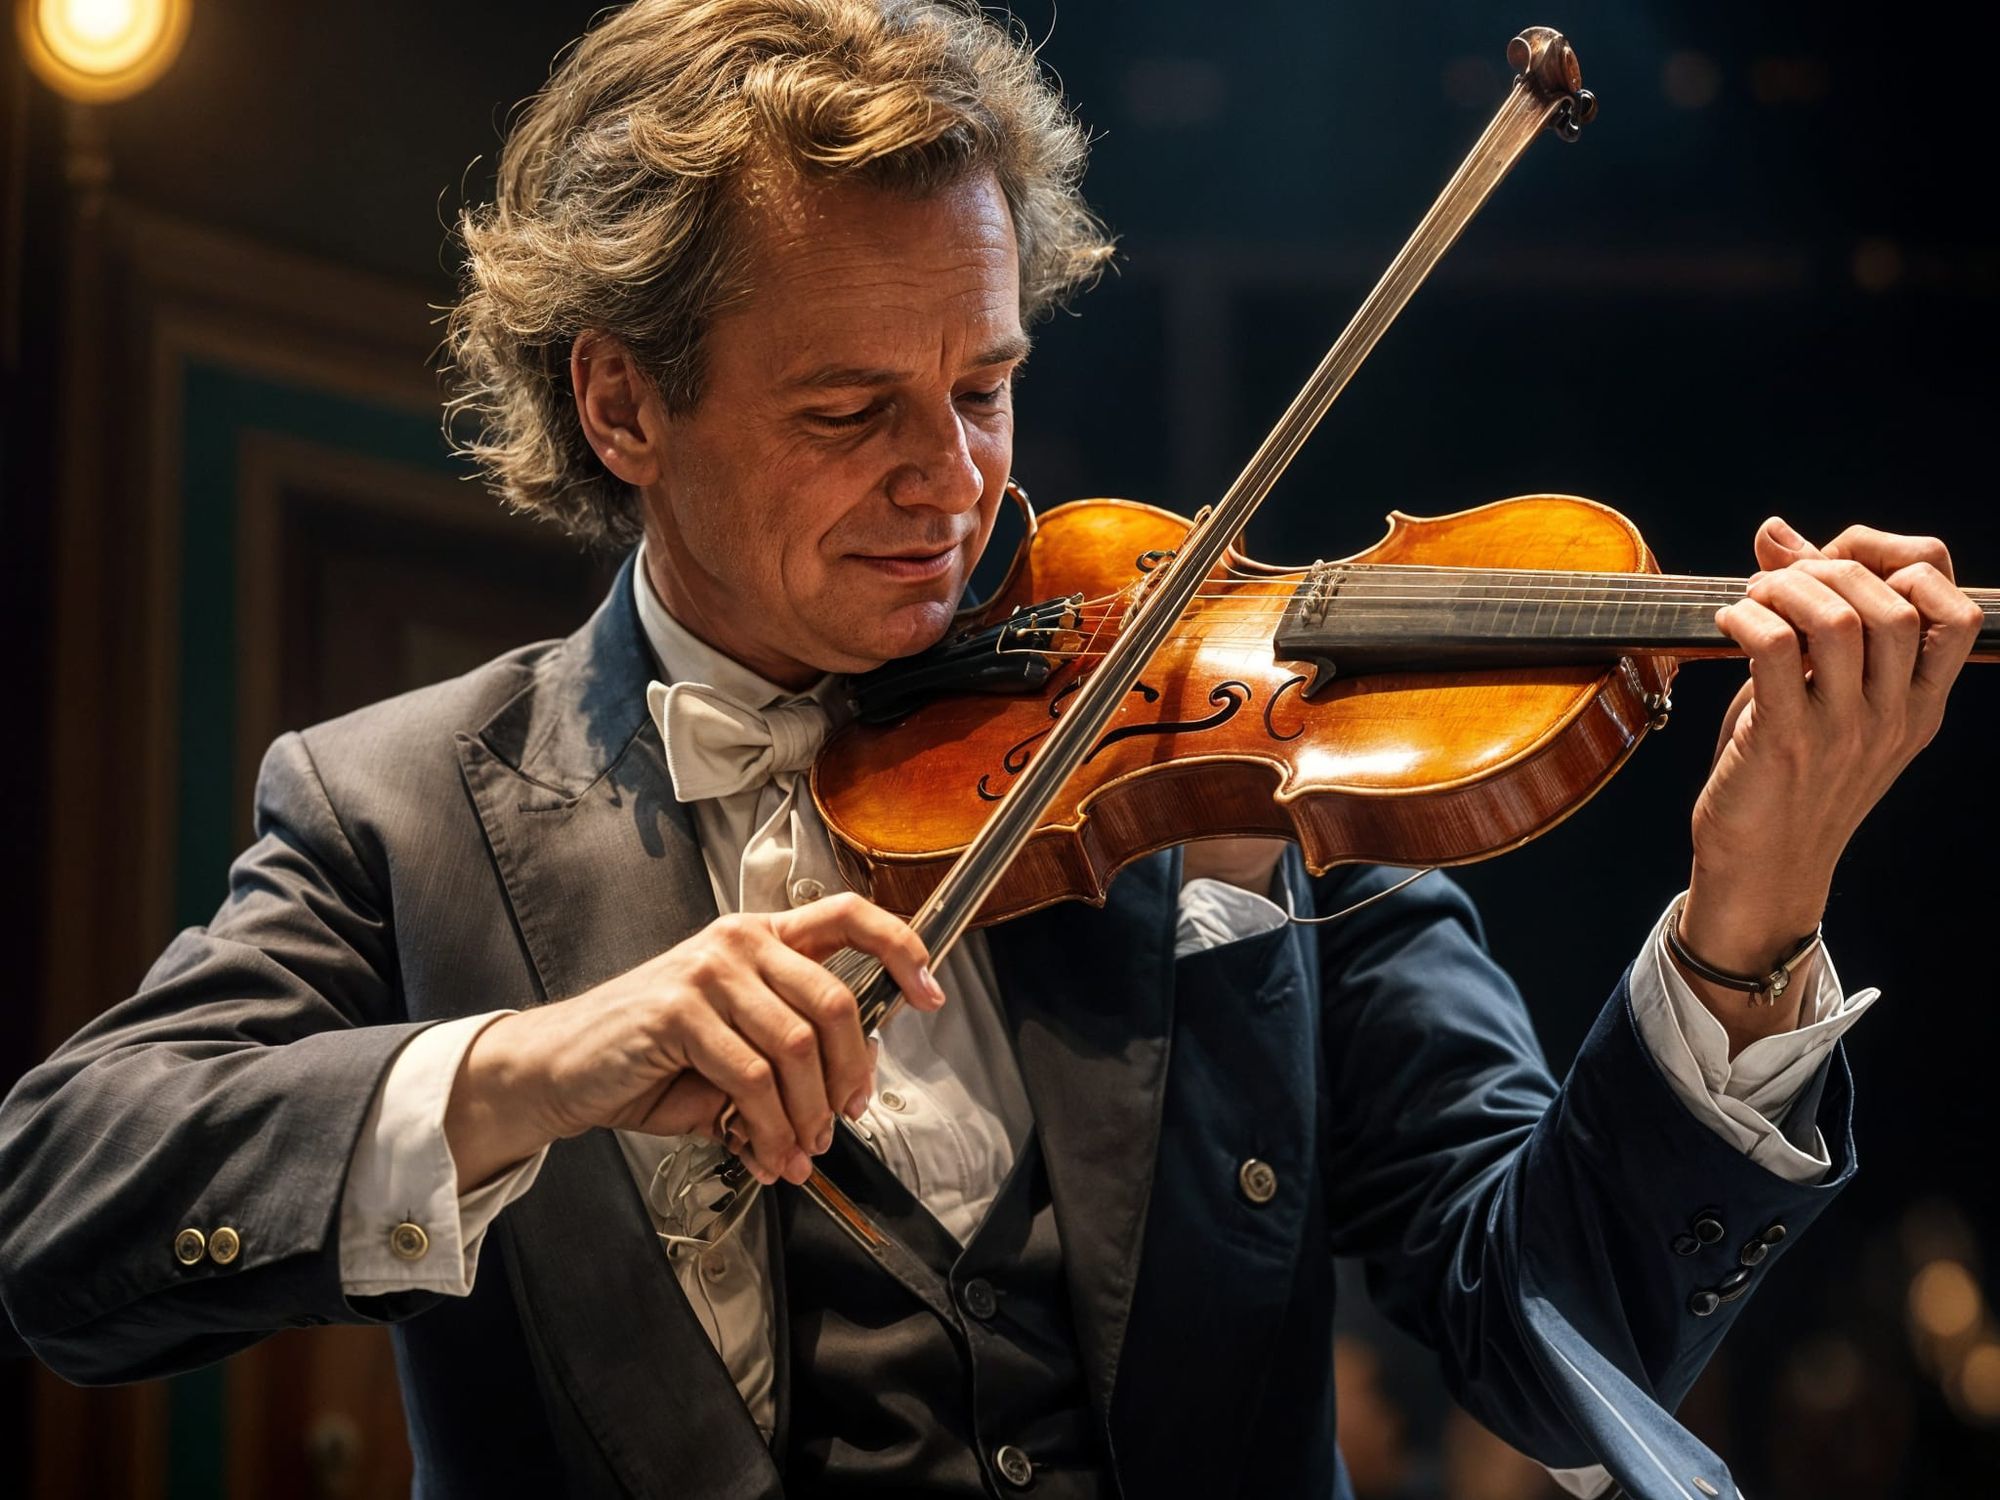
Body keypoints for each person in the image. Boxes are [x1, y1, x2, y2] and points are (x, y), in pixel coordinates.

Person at [0, 3, 1984, 1497]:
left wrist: (1748, 918)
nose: (950, 485)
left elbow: (1562, 1332)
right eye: (850, 410)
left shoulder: (1225, 777)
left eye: (986, 383)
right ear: (622, 405)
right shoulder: (399, 805)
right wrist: (533, 1068)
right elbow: (67, 1221)